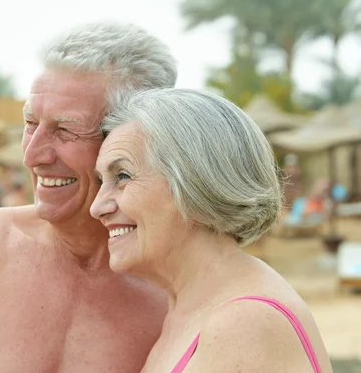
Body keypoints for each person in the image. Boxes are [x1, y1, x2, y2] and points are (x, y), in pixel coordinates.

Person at [0, 21, 177, 372]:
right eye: (30, 124)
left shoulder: (178, 285)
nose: (33, 155)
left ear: (132, 140)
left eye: (64, 130)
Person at [90, 88, 333, 373]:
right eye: (100, 180)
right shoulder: (191, 309)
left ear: (195, 182)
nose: (97, 207)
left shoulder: (243, 324)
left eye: (122, 176)